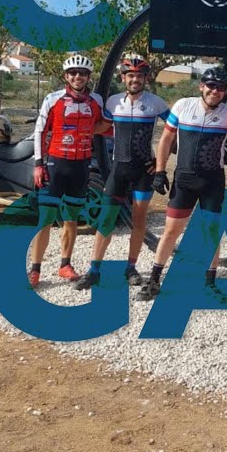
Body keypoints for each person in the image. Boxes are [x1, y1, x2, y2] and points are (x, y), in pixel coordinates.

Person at [135, 66, 227, 301]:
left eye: (221, 88)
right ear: (201, 86)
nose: (215, 91)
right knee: (171, 231)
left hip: (212, 181)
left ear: (225, 91)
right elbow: (166, 139)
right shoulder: (183, 106)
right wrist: (159, 171)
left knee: (211, 232)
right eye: (211, 86)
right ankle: (154, 281)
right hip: (185, 179)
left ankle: (209, 283)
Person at [74, 55, 169, 290]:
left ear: (145, 78)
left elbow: (174, 131)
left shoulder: (156, 103)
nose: (135, 79)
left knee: (138, 221)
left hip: (143, 172)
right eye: (130, 75)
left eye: (139, 75)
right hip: (119, 170)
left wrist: (159, 161)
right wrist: (74, 129)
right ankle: (94, 270)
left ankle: (131, 268)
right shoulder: (113, 102)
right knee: (105, 220)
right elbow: (102, 127)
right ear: (123, 77)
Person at [30, 53, 111, 288]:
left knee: (71, 218)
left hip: (81, 165)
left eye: (83, 73)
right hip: (56, 164)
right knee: (45, 219)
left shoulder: (96, 100)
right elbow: (40, 131)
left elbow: (101, 125)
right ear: (66, 76)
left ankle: (65, 265)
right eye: (73, 73)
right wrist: (38, 163)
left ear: (88, 76)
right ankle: (35, 269)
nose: (78, 77)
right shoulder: (53, 98)